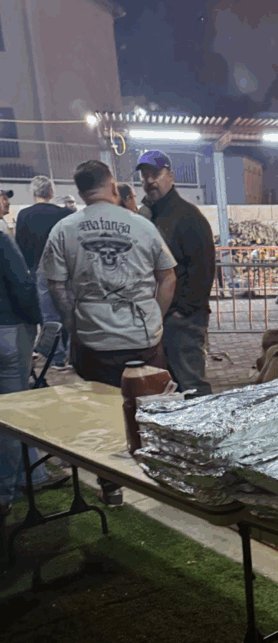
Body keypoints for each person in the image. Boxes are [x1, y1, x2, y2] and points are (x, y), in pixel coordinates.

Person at [41, 159, 177, 505]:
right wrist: (154, 317)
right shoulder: (141, 225)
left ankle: (111, 485)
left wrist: (74, 324)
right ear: (112, 185)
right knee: (151, 409)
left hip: (94, 339)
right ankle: (161, 479)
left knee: (103, 414)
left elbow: (56, 286)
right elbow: (168, 275)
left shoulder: (64, 229)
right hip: (142, 338)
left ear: (81, 189)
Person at [137, 149, 216, 396]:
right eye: (144, 175)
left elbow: (203, 269)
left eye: (155, 174)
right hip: (156, 317)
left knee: (191, 386)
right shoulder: (146, 216)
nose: (149, 180)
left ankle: (205, 433)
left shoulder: (188, 216)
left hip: (182, 321)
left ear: (170, 175)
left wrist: (183, 311)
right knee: (164, 389)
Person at [0, 230, 63, 514]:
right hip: (9, 331)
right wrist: (36, 321)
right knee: (14, 412)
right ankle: (9, 489)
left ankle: (34, 474)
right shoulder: (1, 240)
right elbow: (22, 285)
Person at [14, 176, 73, 369]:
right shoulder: (64, 213)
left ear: (34, 193)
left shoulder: (24, 215)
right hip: (65, 269)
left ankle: (57, 358)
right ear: (51, 192)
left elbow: (20, 248)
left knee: (49, 317)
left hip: (39, 272)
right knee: (72, 312)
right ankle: (74, 357)